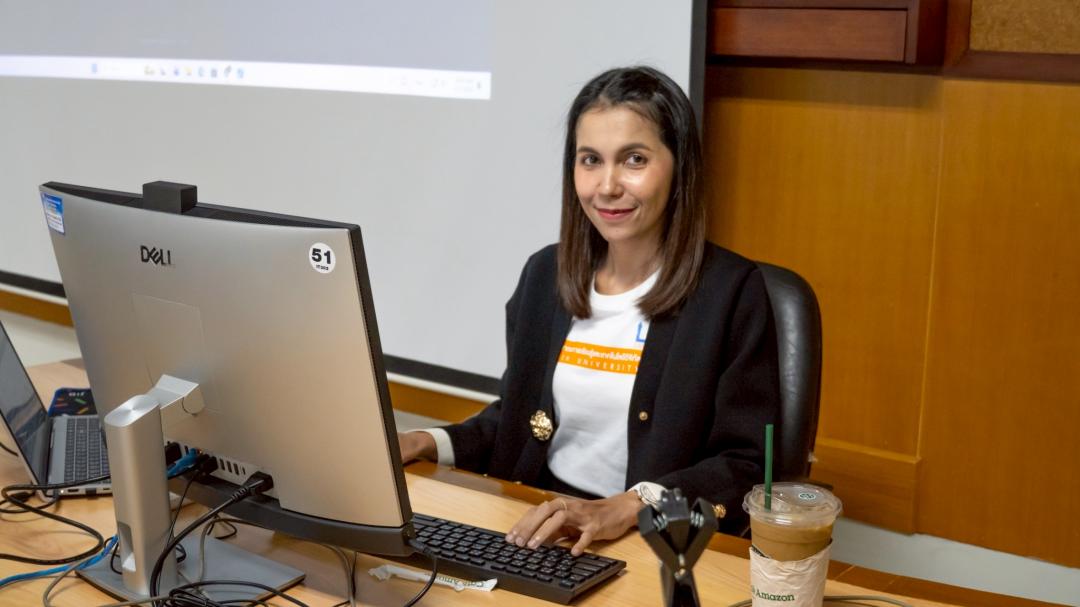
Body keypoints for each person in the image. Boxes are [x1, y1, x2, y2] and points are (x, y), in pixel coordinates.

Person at [399, 66, 780, 555]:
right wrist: (428, 441)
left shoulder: (731, 292)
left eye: (634, 159)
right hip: (539, 526)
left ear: (680, 166)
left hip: (654, 542)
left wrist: (631, 506)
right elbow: (516, 421)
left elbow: (746, 466)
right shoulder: (545, 274)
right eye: (590, 160)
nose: (607, 185)